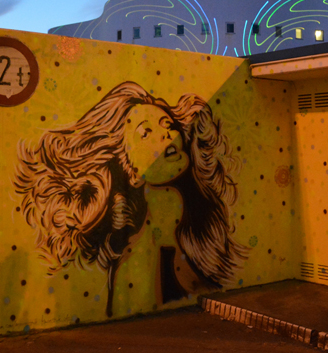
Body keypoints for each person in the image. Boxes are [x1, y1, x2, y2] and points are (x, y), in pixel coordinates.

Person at [14, 82, 247, 317]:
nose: (166, 135)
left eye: (167, 125)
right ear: (128, 166)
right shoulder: (139, 254)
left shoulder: (184, 225)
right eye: (146, 133)